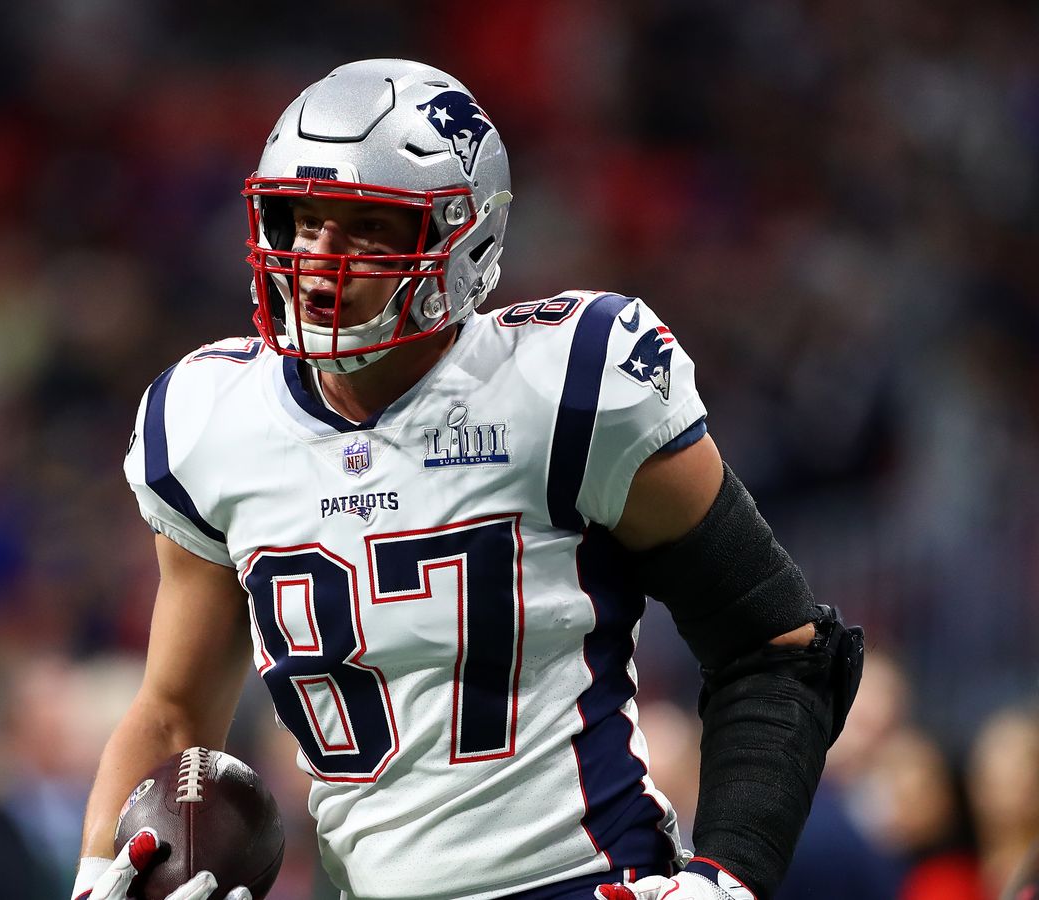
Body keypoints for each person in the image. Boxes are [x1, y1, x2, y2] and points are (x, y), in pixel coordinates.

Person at [73, 59, 864, 900]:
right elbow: (171, 713)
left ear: (465, 237)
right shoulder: (209, 421)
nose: (317, 259)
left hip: (582, 879)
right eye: (299, 220)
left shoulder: (570, 386)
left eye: (366, 229)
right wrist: (97, 876)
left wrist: (730, 875)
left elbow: (781, 650)